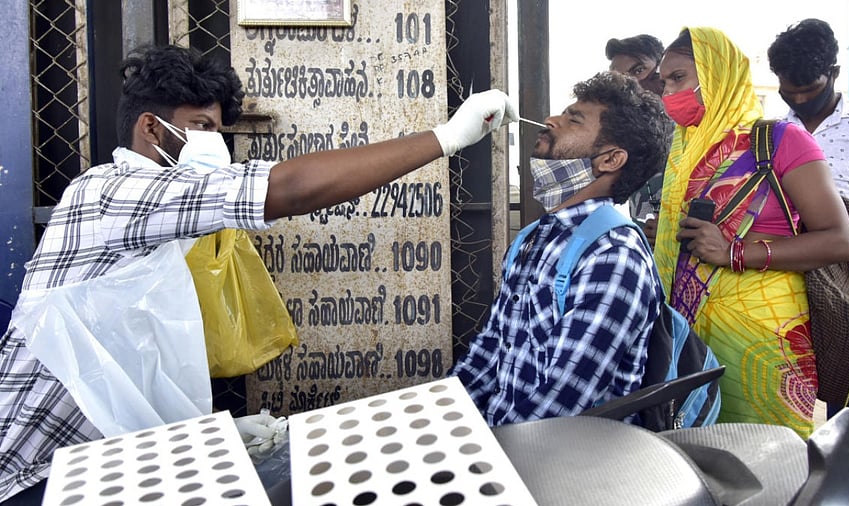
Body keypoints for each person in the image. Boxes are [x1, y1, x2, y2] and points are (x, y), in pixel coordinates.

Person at [0, 44, 516, 504]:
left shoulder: (160, 219)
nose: (214, 144)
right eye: (202, 127)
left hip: (104, 463)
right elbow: (288, 189)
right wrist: (448, 137)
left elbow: (136, 357)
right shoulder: (111, 192)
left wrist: (199, 435)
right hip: (35, 467)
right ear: (151, 128)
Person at [654, 27, 849, 438]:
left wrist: (735, 252)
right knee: (695, 448)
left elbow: (839, 240)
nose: (668, 92)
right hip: (690, 331)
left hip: (760, 333)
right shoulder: (682, 148)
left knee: (764, 453)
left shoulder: (781, 139)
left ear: (719, 74)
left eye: (679, 78)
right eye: (664, 83)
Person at [451, 71, 674, 427]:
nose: (550, 120)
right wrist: (437, 419)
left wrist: (482, 448)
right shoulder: (535, 237)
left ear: (610, 160)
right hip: (506, 439)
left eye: (574, 120)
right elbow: (488, 354)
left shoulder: (614, 256)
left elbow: (560, 403)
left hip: (562, 454)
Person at [767, 17, 849, 500]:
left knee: (848, 417)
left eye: (810, 88)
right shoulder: (773, 131)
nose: (800, 99)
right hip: (782, 276)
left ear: (835, 73)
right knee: (782, 404)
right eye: (790, 90)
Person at [606, 34, 666, 247]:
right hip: (646, 250)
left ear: (660, 72)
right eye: (619, 77)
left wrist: (672, 228)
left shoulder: (690, 130)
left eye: (638, 70)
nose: (630, 83)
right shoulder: (622, 135)